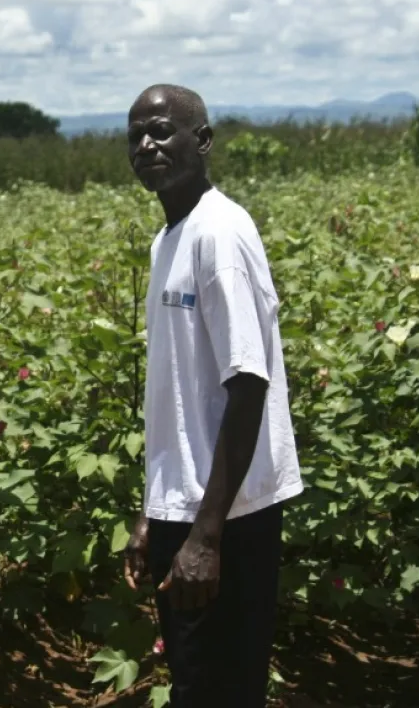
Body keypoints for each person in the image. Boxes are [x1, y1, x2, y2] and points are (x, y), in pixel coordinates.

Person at [121, 84, 305, 707]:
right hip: (192, 508)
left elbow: (248, 382)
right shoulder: (171, 237)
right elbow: (181, 397)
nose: (147, 144)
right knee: (198, 684)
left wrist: (205, 536)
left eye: (163, 131)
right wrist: (155, 509)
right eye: (136, 135)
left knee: (217, 691)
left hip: (229, 517)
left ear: (202, 141)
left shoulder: (218, 234)